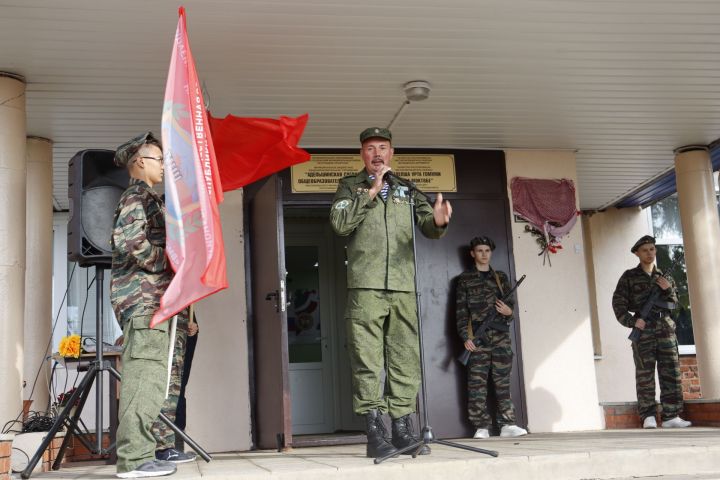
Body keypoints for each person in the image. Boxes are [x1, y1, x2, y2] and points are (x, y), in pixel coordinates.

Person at [330, 127, 452, 458]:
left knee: (404, 357)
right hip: (365, 286)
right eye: (370, 149)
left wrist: (438, 222)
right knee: (367, 359)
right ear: (362, 155)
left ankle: (402, 428)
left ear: (392, 153)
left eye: (382, 148)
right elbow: (340, 224)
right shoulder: (349, 187)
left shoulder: (407, 189)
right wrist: (370, 193)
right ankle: (375, 431)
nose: (377, 154)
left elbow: (428, 225)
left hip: (402, 286)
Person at [111, 131, 178, 478]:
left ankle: (141, 455)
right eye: (160, 159)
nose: (164, 165)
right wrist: (163, 262)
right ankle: (135, 461)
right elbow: (130, 241)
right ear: (140, 162)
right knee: (143, 378)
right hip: (142, 298)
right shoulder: (136, 195)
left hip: (149, 298)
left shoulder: (149, 196)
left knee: (152, 378)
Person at [612, 235, 691, 429]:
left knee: (671, 372)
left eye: (652, 249)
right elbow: (618, 304)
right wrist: (633, 321)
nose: (650, 253)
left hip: (665, 330)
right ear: (637, 253)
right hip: (644, 331)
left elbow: (676, 305)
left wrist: (668, 289)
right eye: (645, 250)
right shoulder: (629, 277)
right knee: (644, 375)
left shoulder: (665, 277)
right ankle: (648, 415)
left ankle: (671, 415)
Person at [455, 236, 527, 439]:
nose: (484, 254)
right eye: (480, 250)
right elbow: (460, 312)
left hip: (501, 339)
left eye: (487, 250)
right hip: (478, 339)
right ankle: (481, 427)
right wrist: (465, 337)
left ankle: (507, 424)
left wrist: (507, 312)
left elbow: (512, 309)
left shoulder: (501, 278)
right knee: (477, 385)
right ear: (473, 254)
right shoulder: (465, 279)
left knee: (502, 382)